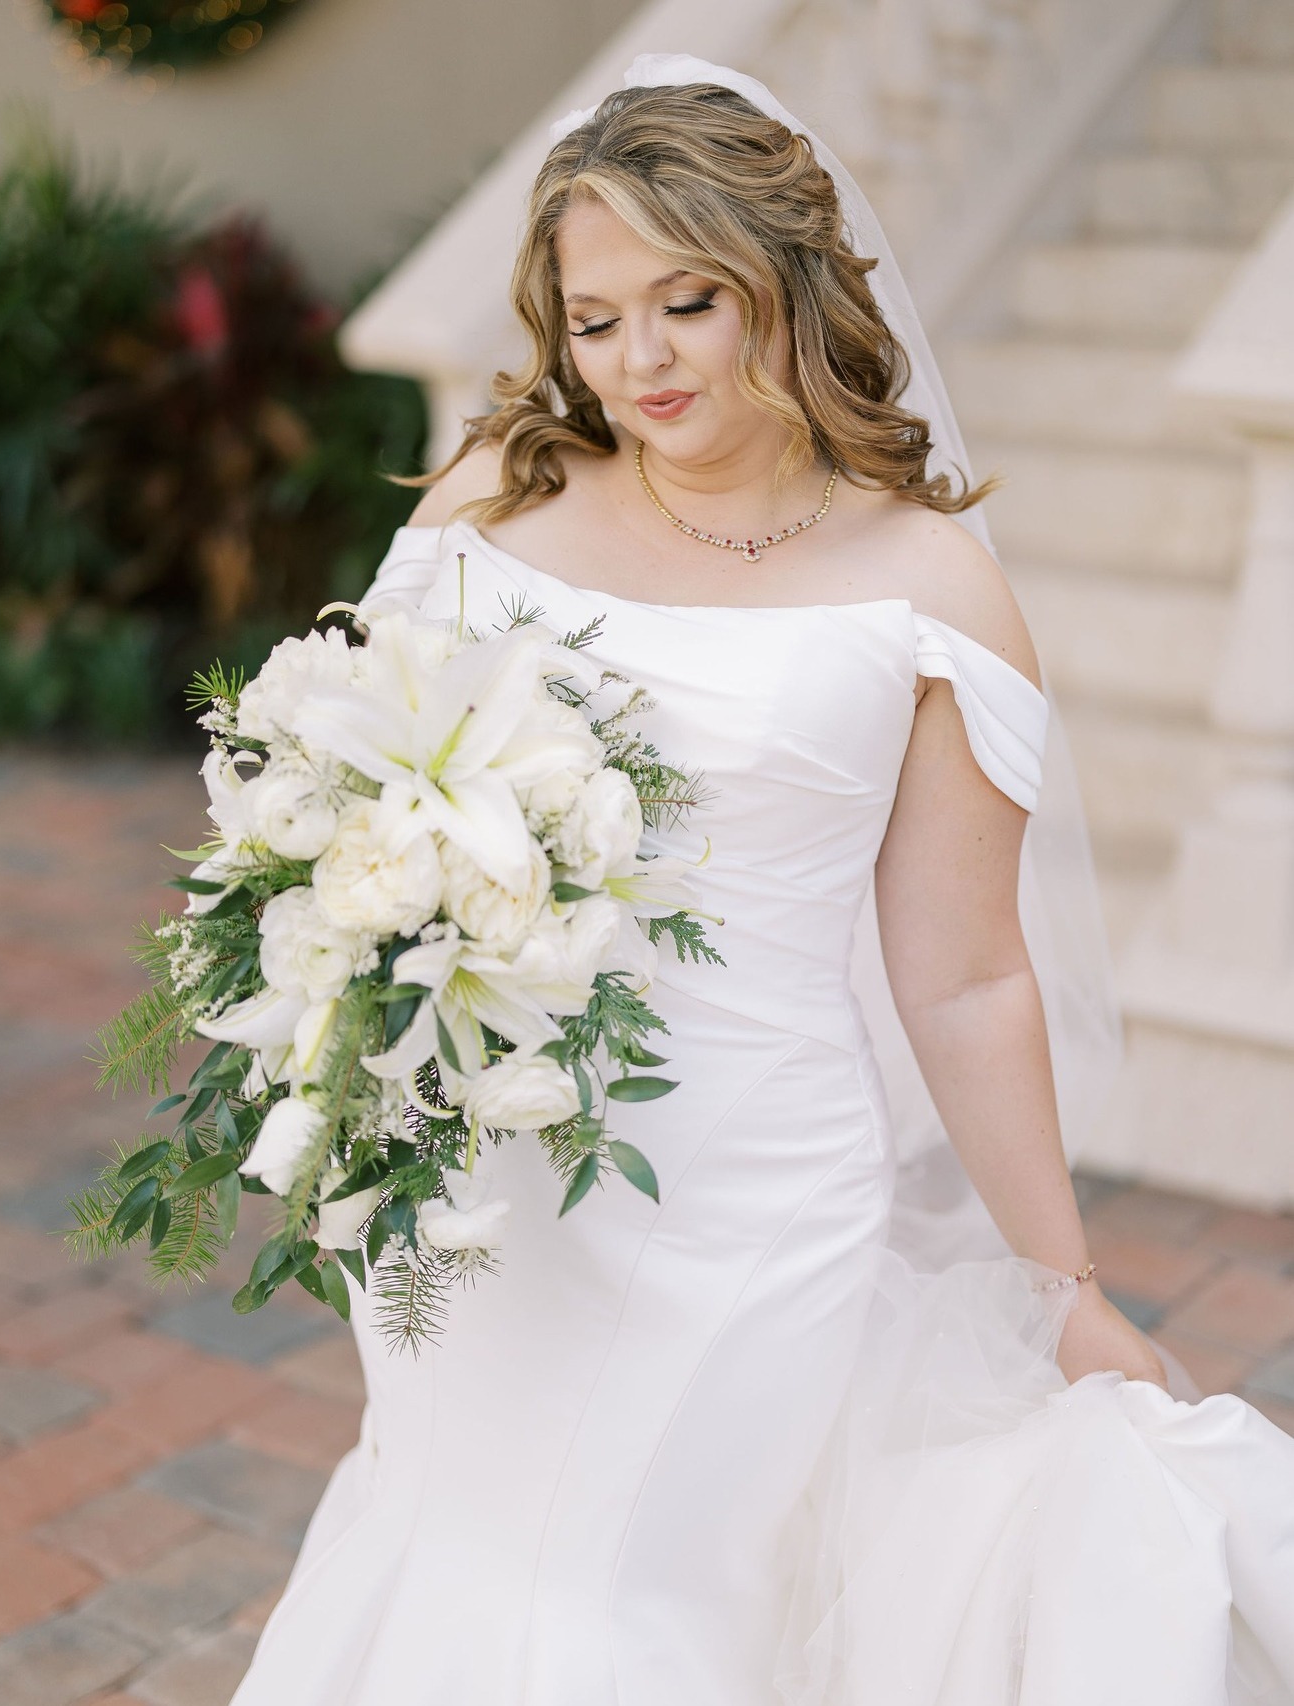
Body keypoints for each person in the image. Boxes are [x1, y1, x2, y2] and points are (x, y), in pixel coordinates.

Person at [228, 57, 1294, 1706]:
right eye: (593, 321)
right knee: (468, 1530)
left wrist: (1062, 1282)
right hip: (492, 1158)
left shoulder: (925, 589)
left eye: (685, 302)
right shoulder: (492, 506)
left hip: (751, 1188)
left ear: (778, 286)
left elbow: (962, 974)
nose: (638, 360)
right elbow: (354, 794)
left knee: (650, 1576)